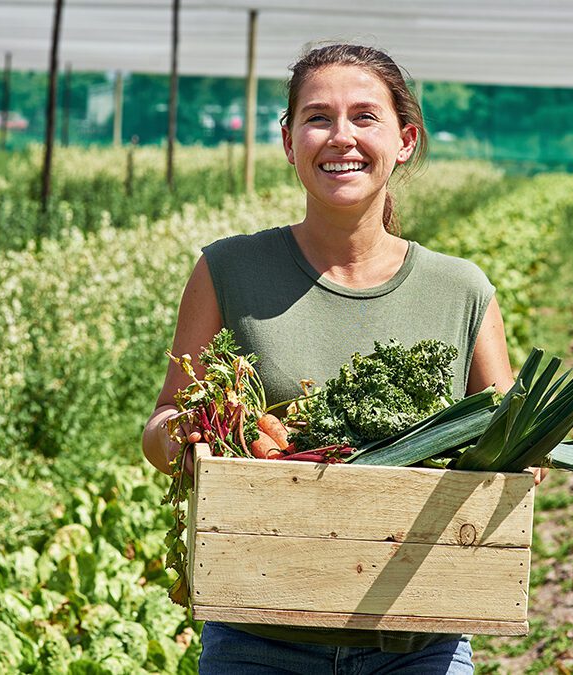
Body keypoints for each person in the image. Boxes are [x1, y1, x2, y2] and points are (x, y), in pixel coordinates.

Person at [142, 43, 542, 674]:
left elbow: (519, 455)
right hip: (258, 633)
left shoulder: (461, 289)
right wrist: (190, 438)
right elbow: (162, 421)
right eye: (318, 117)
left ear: (405, 139)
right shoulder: (228, 270)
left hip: (418, 637)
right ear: (288, 138)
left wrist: (523, 460)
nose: (341, 137)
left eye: (365, 117)